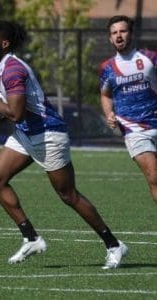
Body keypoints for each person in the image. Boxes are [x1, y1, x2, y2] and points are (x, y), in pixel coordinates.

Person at [0, 20, 128, 269]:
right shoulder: (3, 67)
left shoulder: (11, 70)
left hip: (48, 135)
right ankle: (31, 238)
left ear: (4, 43)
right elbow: (13, 111)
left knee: (68, 195)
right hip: (26, 134)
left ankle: (114, 245)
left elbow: (15, 113)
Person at [99, 15, 157, 203]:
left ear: (131, 33)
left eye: (122, 31)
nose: (118, 36)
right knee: (154, 177)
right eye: (114, 33)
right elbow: (106, 95)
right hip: (134, 129)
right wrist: (109, 114)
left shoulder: (150, 58)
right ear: (110, 38)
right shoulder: (107, 68)